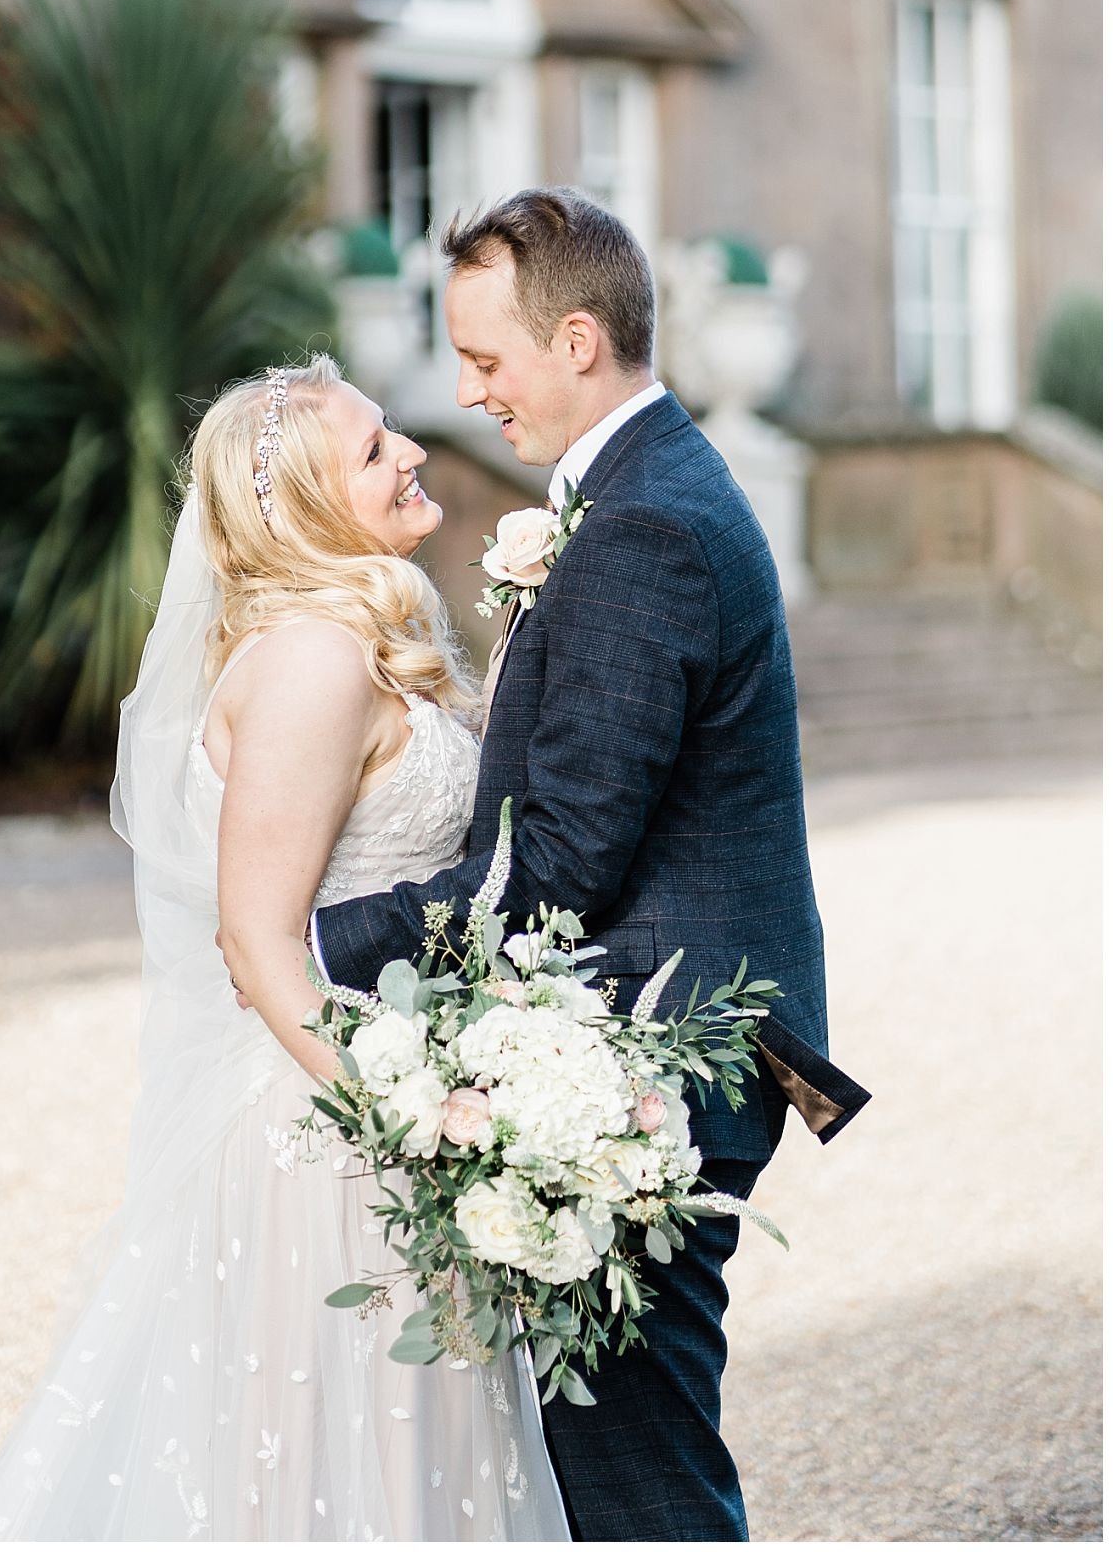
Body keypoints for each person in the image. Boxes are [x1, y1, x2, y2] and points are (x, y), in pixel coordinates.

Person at [308, 188, 870, 1543]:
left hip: (660, 1059)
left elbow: (553, 865)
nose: (467, 390)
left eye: (487, 360)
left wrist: (316, 945)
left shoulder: (644, 529)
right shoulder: (640, 492)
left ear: (573, 341)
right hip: (651, 1033)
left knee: (640, 1475)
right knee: (613, 1452)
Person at [0, 354, 570, 1542]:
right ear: (303, 507)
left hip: (374, 1095)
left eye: (395, 432)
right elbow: (253, 940)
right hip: (327, 1138)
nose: (412, 455)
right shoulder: (308, 662)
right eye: (375, 449)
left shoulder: (349, 641)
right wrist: (405, 1124)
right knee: (326, 1478)